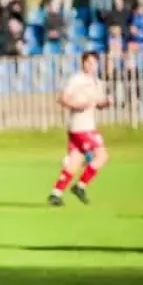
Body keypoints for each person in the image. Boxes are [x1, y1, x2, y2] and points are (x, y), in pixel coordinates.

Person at [49, 51, 112, 206]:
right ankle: (80, 186)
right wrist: (79, 105)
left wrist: (106, 103)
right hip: (81, 127)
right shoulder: (77, 79)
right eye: (87, 62)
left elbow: (97, 103)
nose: (90, 66)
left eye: (93, 63)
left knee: (74, 162)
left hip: (82, 127)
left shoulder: (97, 82)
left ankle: (55, 194)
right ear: (83, 63)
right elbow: (62, 98)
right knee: (102, 156)